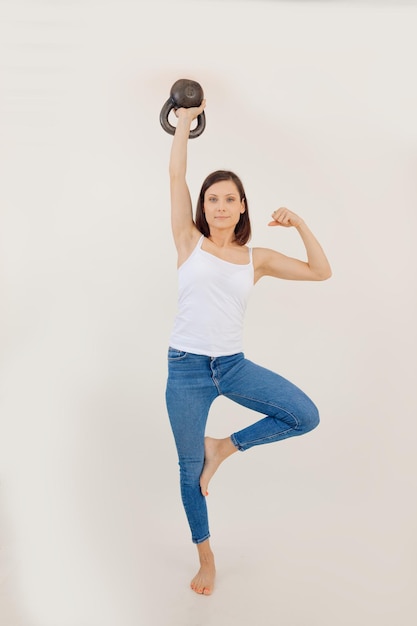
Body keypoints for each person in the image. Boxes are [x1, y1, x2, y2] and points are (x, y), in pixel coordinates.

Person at [165, 100, 332, 596]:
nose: (219, 206)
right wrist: (183, 125)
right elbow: (176, 175)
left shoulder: (254, 259)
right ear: (203, 207)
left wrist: (300, 223)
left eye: (229, 199)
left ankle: (225, 446)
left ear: (242, 207)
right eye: (212, 199)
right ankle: (206, 555)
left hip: (233, 367)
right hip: (186, 368)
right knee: (187, 469)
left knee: (304, 415)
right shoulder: (187, 241)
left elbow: (320, 272)